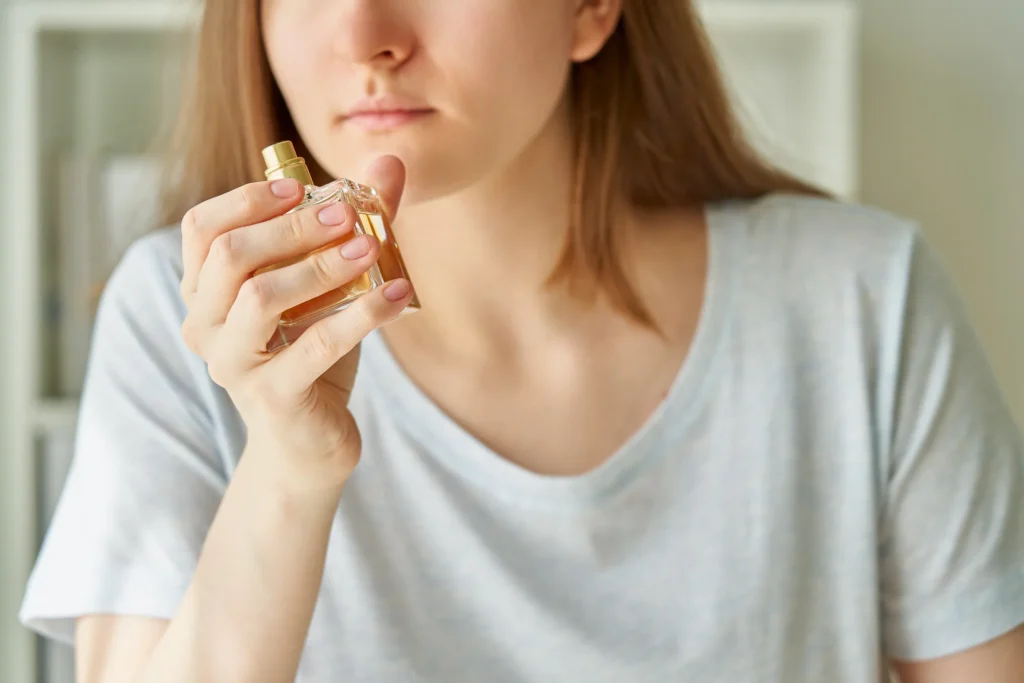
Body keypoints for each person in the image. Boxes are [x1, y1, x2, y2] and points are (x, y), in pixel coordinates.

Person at [19, 0, 1024, 681]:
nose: (366, 34)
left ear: (591, 7)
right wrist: (287, 469)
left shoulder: (861, 299)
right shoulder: (175, 311)